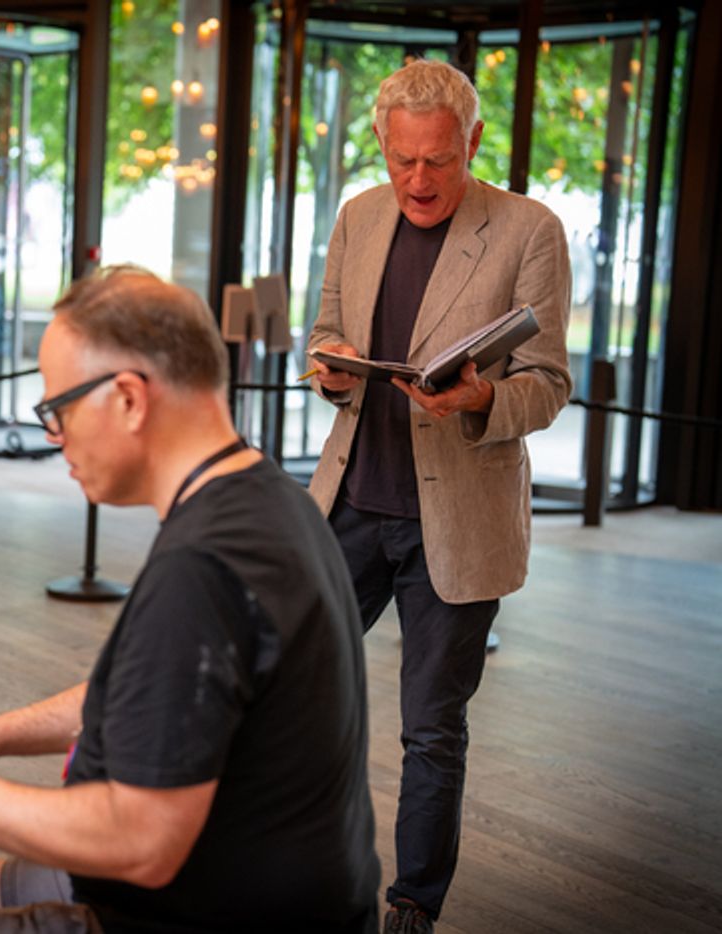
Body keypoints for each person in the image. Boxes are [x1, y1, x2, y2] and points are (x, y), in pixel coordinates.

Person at [0, 267, 381, 934]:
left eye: (58, 409)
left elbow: (142, 841)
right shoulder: (267, 495)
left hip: (201, 908)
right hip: (284, 890)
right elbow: (151, 690)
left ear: (128, 399)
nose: (53, 435)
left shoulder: (202, 568)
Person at [305, 60, 571, 933]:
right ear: (381, 143)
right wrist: (333, 374)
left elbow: (548, 381)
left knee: (432, 727)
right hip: (350, 505)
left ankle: (413, 904)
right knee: (295, 689)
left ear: (474, 143)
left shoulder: (530, 229)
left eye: (440, 162)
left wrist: (480, 397)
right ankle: (293, 864)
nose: (418, 181)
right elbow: (327, 334)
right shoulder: (358, 214)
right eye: (402, 160)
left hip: (457, 522)